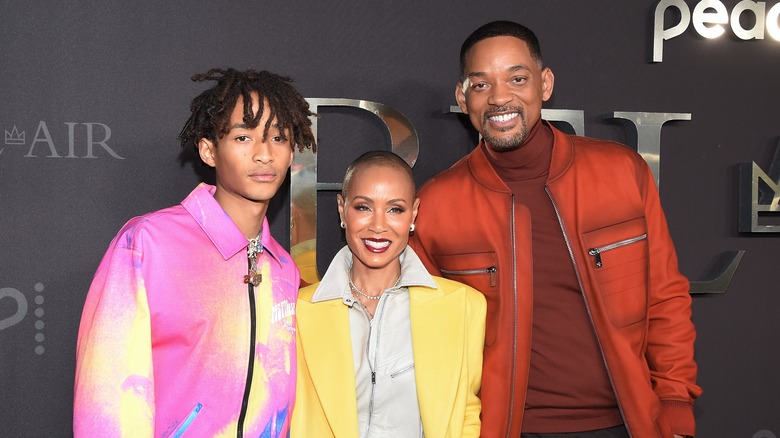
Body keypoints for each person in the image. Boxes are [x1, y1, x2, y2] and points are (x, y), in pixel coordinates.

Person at [409, 21, 702, 438]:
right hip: (506, 429)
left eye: (517, 78)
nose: (499, 98)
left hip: (626, 424)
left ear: (544, 84)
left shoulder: (621, 172)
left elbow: (665, 298)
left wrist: (675, 405)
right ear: (462, 96)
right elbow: (423, 337)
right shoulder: (437, 204)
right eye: (481, 84)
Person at [73, 68, 316, 437]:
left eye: (278, 137)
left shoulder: (282, 267)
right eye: (243, 137)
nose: (264, 154)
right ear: (208, 150)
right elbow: (105, 401)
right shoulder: (147, 244)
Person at [290, 151, 486, 438]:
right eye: (363, 208)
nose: (378, 226)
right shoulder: (298, 312)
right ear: (342, 210)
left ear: (414, 214)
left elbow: (466, 415)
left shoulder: (463, 306)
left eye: (395, 209)